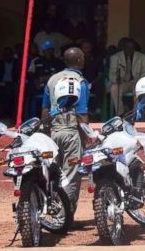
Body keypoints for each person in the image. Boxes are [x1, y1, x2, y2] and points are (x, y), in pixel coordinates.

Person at [42, 47, 90, 214]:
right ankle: (66, 216)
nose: (84, 59)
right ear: (78, 61)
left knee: (53, 174)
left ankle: (52, 211)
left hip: (54, 132)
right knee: (70, 175)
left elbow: (45, 109)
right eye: (83, 57)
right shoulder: (80, 81)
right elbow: (82, 113)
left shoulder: (52, 80)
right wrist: (86, 137)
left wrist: (47, 131)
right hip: (72, 134)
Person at [108, 38, 145, 116]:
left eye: (131, 48)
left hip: (136, 82)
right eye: (127, 48)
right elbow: (112, 73)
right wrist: (116, 79)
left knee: (140, 89)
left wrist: (140, 81)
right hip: (122, 82)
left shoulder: (142, 57)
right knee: (114, 88)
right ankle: (120, 113)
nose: (129, 50)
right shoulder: (115, 57)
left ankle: (134, 113)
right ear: (124, 48)